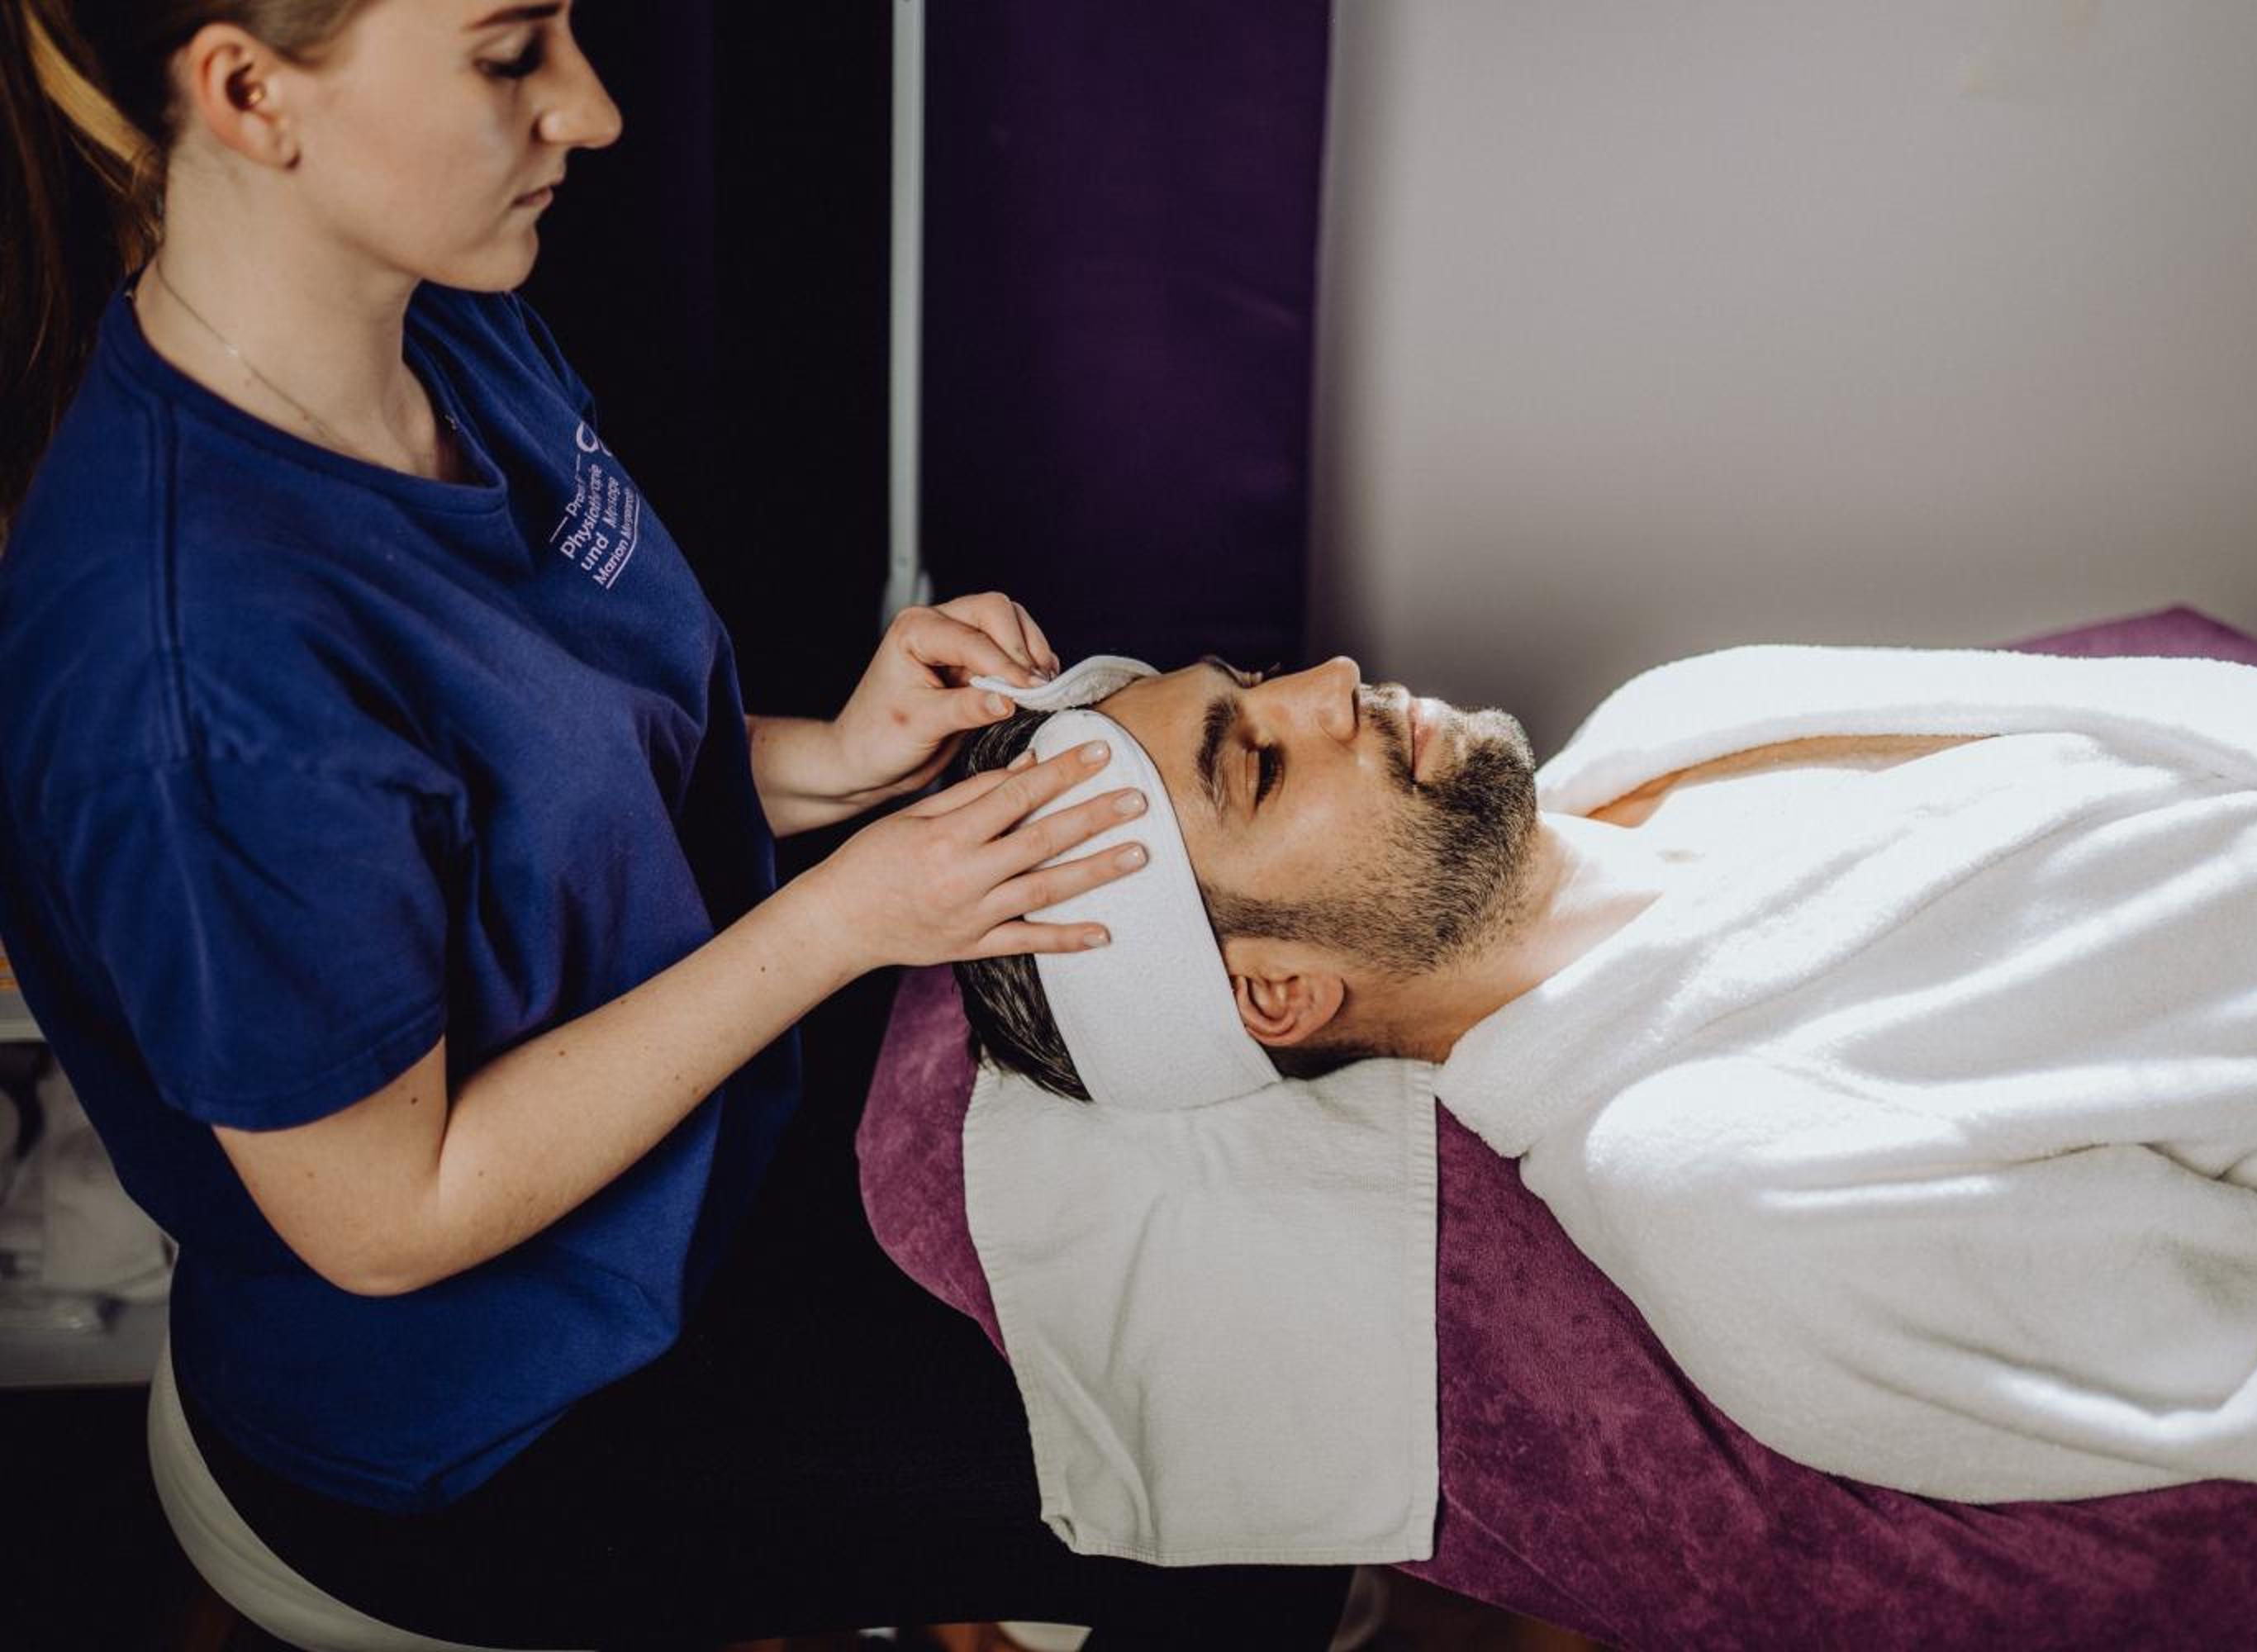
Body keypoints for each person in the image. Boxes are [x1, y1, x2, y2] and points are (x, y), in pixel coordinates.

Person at [0, 2, 1355, 1645]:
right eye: (511, 55)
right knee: (1253, 1507)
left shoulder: (451, 335)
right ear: (247, 91)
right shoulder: (195, 671)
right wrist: (844, 915)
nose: (594, 109)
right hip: (486, 1416)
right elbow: (389, 1219)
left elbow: (541, 798)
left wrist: (840, 761)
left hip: (705, 1163)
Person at [955, 645, 2257, 1504]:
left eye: (1258, 678)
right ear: (1278, 991)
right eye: (1258, 764)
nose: (1334, 680)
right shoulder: (1727, 1179)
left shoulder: (1661, 724)